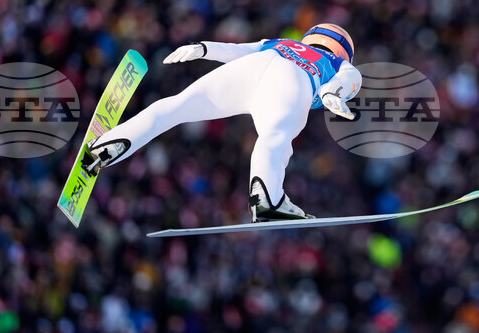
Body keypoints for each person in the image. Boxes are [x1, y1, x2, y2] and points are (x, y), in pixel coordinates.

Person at [83, 24, 362, 222]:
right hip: (294, 81)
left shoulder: (284, 43)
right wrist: (332, 93)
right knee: (274, 136)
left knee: (176, 106)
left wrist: (204, 48)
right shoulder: (337, 62)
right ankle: (267, 201)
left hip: (255, 65)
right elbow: (351, 80)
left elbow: (238, 50)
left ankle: (106, 146)